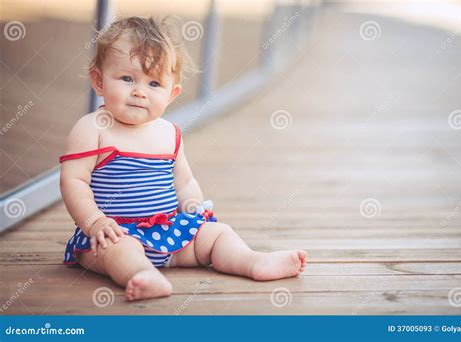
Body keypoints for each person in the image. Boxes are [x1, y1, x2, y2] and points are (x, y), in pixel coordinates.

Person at [60, 17, 307, 301]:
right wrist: (95, 223)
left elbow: (184, 180)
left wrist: (194, 209)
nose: (140, 91)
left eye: (154, 83)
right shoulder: (94, 127)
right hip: (112, 233)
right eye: (127, 78)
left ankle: (253, 261)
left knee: (217, 234)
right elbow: (73, 181)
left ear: (171, 93)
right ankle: (143, 275)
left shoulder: (169, 133)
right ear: (99, 80)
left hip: (168, 234)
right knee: (120, 251)